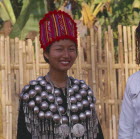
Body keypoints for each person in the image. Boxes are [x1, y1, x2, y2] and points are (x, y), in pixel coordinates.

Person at [17, 10, 104, 139]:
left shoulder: (83, 91)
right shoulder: (32, 94)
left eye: (71, 49)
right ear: (46, 53)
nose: (66, 55)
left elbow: (96, 134)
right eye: (59, 49)